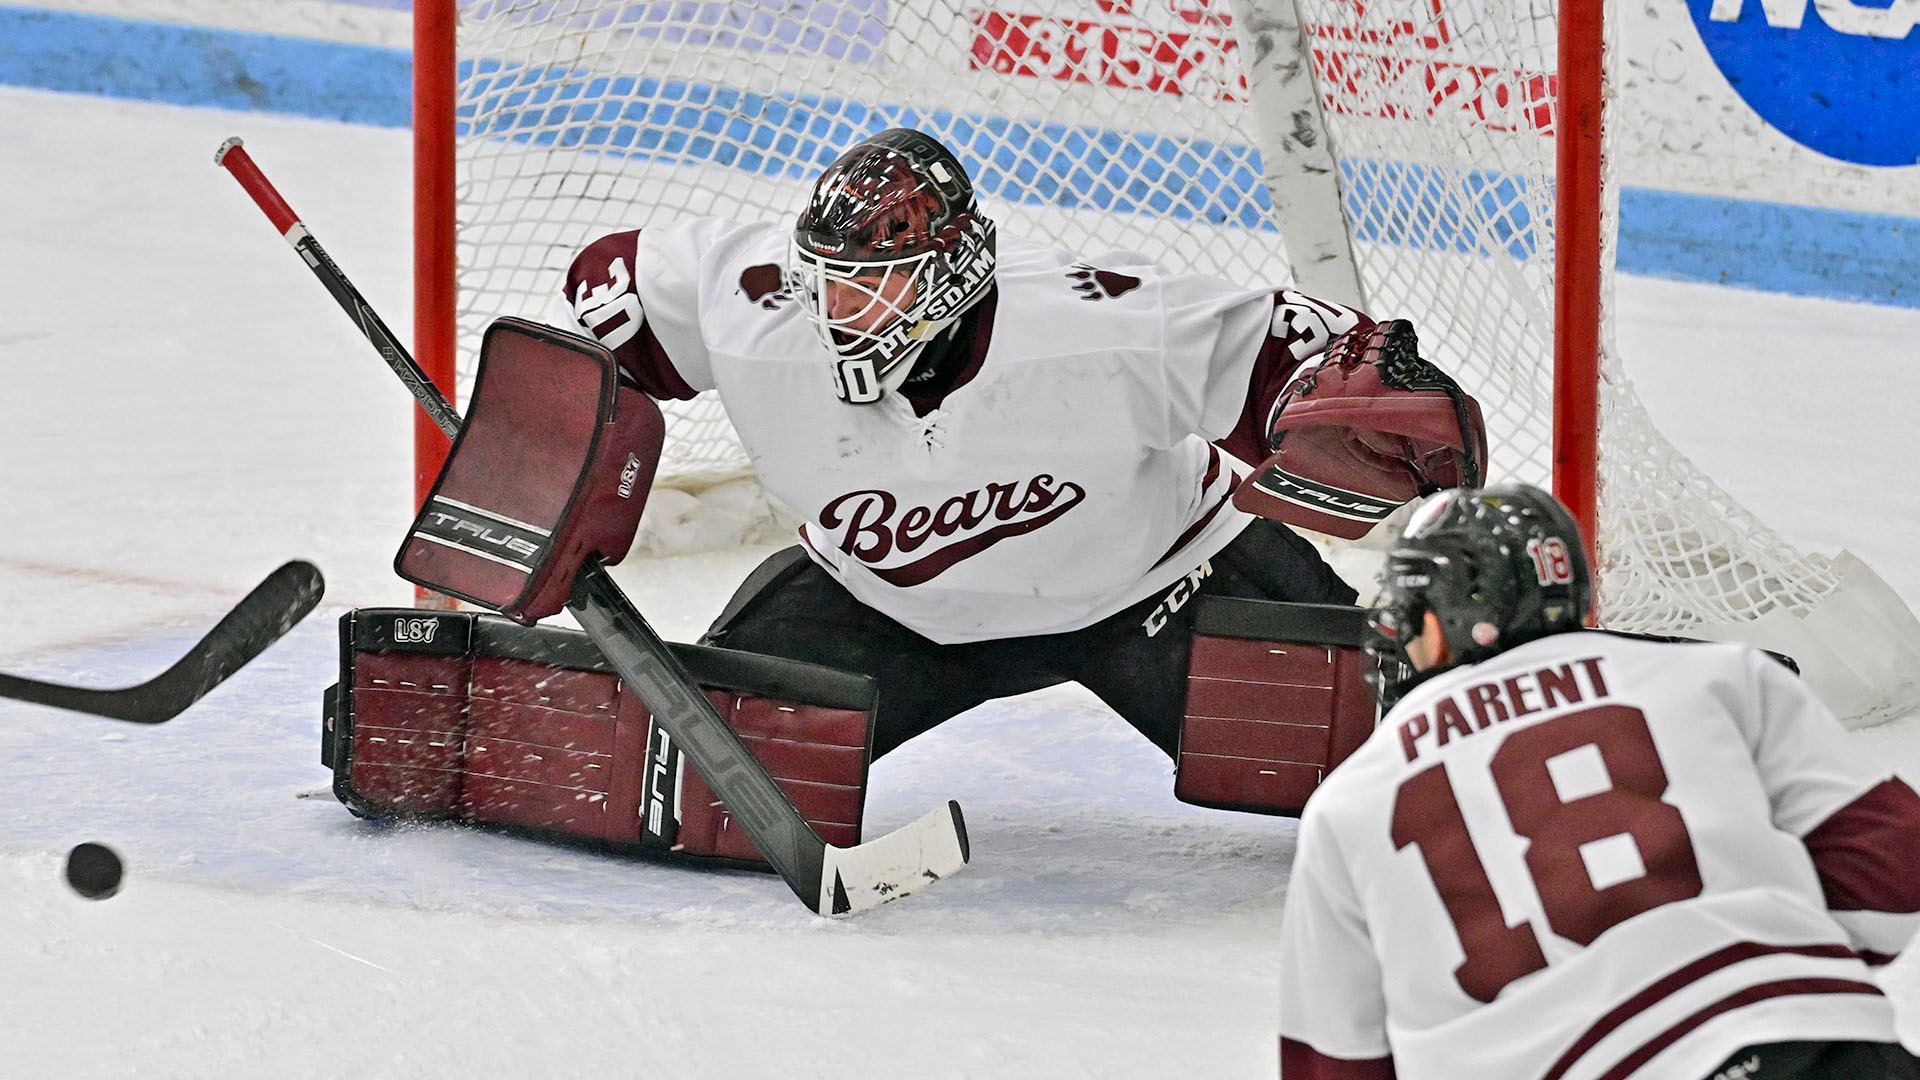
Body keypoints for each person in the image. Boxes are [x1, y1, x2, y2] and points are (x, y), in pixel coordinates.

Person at [544, 125, 1478, 768]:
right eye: (825, 284)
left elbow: (1291, 348)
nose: (835, 315)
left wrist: (1353, 399)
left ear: (948, 277)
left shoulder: (1099, 324)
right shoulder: (755, 313)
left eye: (869, 287)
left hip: (1159, 588)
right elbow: (614, 288)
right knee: (684, 772)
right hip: (885, 609)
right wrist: (555, 444)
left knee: (1407, 767)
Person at [1274, 483, 1920, 1079]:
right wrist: (1781, 968)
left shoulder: (1350, 802)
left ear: (1440, 624)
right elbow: (1892, 867)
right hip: (1814, 1049)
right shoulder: (1717, 676)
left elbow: (1332, 1062)